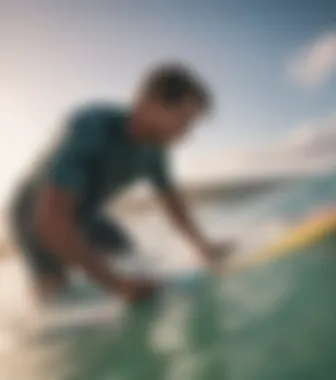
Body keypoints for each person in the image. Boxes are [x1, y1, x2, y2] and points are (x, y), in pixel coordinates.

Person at [10, 63, 230, 304]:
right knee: (57, 296)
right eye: (183, 118)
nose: (186, 132)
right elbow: (50, 221)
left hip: (87, 214)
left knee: (131, 261)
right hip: (33, 212)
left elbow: (174, 207)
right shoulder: (92, 126)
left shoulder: (155, 151)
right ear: (151, 101)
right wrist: (116, 284)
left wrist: (204, 247)